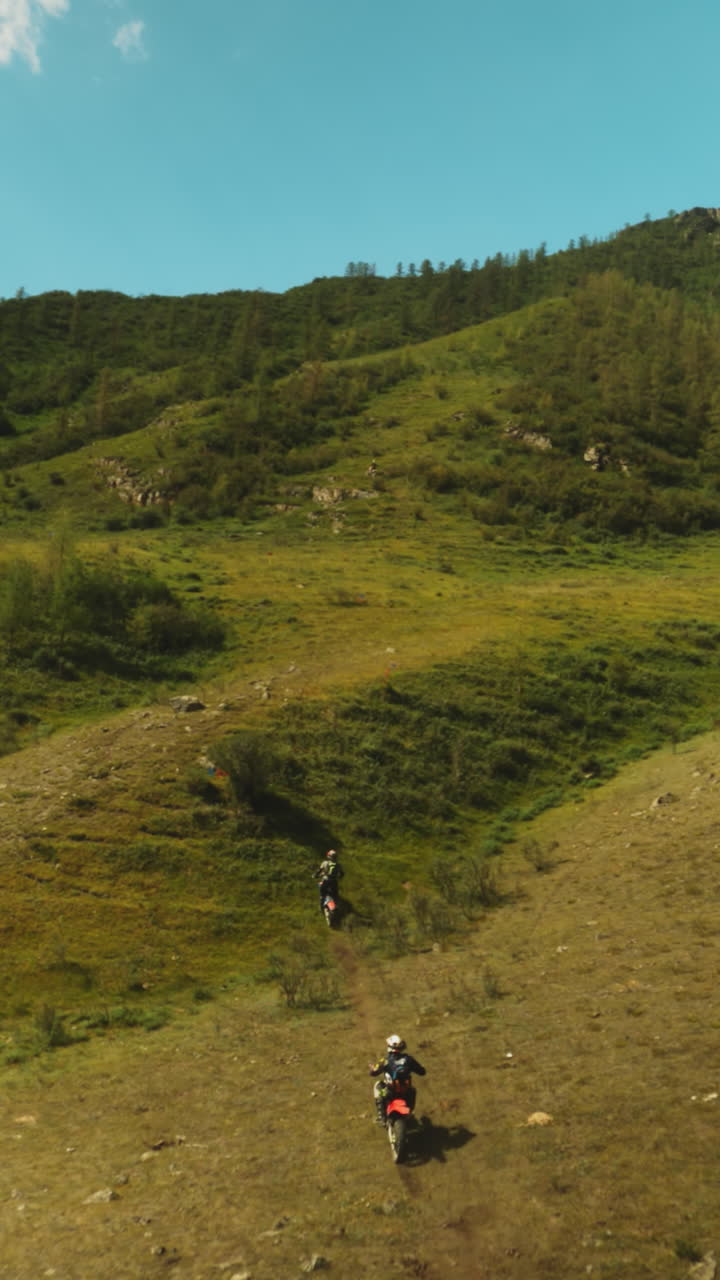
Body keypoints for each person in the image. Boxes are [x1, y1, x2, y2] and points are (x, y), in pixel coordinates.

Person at [369, 1034, 426, 1125]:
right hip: (406, 1091)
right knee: (413, 1090)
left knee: (377, 1086)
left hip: (390, 1091)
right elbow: (422, 1072)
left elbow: (373, 1073)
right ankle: (409, 1112)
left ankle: (381, 1117)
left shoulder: (385, 1060)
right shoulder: (408, 1059)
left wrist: (372, 1069)